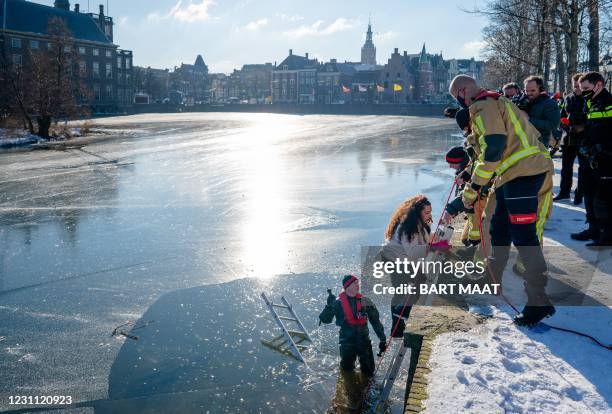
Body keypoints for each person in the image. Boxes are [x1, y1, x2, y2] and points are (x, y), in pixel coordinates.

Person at [447, 74, 555, 327]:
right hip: (514, 174)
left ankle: (538, 302)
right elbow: (489, 151)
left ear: (463, 92)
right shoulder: (498, 101)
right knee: (499, 228)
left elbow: (494, 148)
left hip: (524, 173)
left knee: (524, 235)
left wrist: (472, 190)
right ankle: (491, 277)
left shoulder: (482, 106)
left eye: (456, 97)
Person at [382, 195, 432, 338]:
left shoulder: (419, 223)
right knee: (405, 290)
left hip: (401, 259)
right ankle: (398, 324)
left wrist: (435, 241)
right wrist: (433, 248)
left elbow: (423, 241)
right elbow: (413, 250)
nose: (429, 215)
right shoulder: (408, 226)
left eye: (430, 212)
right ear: (418, 212)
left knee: (412, 285)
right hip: (394, 260)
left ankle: (399, 319)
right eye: (427, 212)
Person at [319, 275, 387, 376]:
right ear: (347, 286)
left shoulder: (366, 301)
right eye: (354, 283)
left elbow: (375, 322)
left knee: (369, 372)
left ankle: (366, 388)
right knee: (347, 371)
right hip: (347, 343)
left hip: (364, 342)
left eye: (357, 283)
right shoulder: (337, 303)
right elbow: (325, 320)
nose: (357, 285)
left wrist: (382, 340)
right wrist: (329, 306)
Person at [577, 71, 612, 246]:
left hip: (607, 159)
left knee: (603, 199)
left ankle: (607, 235)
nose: (583, 91)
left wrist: (603, 147)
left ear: (599, 85)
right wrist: (584, 143)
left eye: (586, 88)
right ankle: (593, 228)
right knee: (588, 195)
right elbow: (588, 127)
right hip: (589, 157)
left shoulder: (609, 102)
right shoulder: (590, 102)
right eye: (581, 89)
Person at [556, 73, 586, 203]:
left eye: (578, 86)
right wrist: (565, 127)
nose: (576, 88)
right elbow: (561, 116)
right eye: (574, 86)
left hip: (584, 139)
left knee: (583, 168)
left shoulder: (588, 99)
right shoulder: (567, 98)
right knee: (566, 168)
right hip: (568, 139)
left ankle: (579, 195)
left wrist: (583, 127)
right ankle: (564, 193)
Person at [523, 75, 562, 147]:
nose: (528, 93)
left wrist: (529, 120)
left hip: (539, 146)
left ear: (540, 89)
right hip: (523, 144)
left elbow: (553, 125)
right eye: (526, 91)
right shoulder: (525, 102)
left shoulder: (550, 103)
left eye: (533, 90)